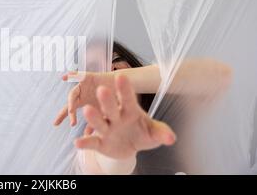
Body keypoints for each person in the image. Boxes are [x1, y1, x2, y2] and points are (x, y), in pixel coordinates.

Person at [54, 41, 232, 174]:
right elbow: (109, 162)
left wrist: (115, 79)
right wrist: (120, 150)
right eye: (94, 69)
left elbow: (220, 75)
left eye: (116, 59)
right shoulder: (91, 146)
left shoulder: (176, 110)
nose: (110, 68)